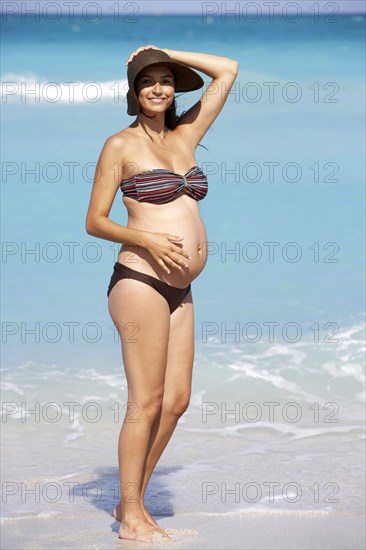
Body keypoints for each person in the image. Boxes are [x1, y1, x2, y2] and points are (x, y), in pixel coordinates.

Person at [85, 45, 238, 543]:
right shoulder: (119, 146)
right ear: (133, 91)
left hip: (182, 287)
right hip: (139, 282)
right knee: (145, 401)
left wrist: (163, 51)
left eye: (166, 80)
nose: (158, 87)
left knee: (176, 401)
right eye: (147, 79)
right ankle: (132, 517)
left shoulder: (186, 136)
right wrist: (147, 238)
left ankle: (132, 500)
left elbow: (229, 70)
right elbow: (95, 222)